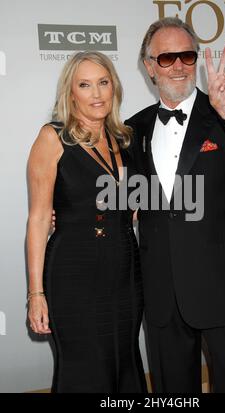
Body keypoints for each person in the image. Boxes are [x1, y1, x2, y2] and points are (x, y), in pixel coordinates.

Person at [126, 17, 225, 393]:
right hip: (164, 296)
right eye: (167, 58)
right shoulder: (133, 130)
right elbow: (130, 200)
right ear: (150, 66)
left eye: (186, 55)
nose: (179, 65)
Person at [26, 51, 147, 393]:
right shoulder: (53, 138)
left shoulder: (126, 140)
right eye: (85, 84)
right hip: (73, 275)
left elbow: (135, 207)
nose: (96, 93)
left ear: (114, 88)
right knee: (84, 372)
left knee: (125, 365)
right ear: (71, 92)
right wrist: (36, 293)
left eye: (103, 83)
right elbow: (37, 219)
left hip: (125, 273)